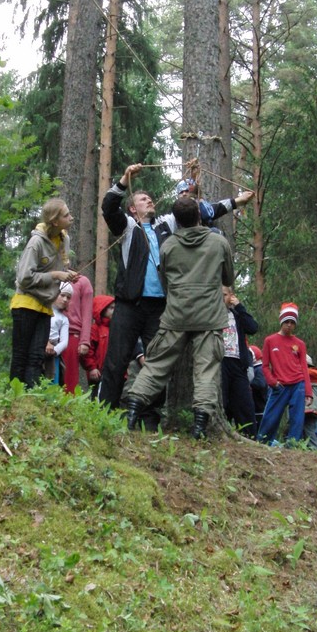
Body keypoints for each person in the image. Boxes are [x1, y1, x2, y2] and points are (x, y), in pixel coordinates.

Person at [98, 162, 253, 416]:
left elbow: (202, 210)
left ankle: (149, 418)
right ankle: (104, 414)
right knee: (116, 361)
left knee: (156, 362)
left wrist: (236, 202)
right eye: (143, 199)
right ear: (132, 208)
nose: (149, 201)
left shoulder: (167, 224)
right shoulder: (127, 227)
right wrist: (125, 178)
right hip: (129, 305)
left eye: (150, 198)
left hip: (160, 308)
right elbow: (108, 207)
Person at [124, 196, 235, 439]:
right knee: (206, 370)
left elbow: (165, 282)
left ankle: (132, 412)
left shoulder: (168, 246)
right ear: (199, 215)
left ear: (177, 220)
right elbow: (228, 278)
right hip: (209, 316)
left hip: (176, 315)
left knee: (156, 365)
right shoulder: (218, 242)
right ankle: (199, 427)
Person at [9, 198, 80, 388]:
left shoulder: (64, 240)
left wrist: (67, 274)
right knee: (21, 355)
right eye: (66, 215)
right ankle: (14, 396)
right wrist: (56, 275)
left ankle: (30, 398)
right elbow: (24, 277)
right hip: (25, 304)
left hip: (45, 307)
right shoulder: (36, 242)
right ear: (55, 221)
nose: (71, 217)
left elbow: (57, 269)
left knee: (36, 357)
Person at [256, 303, 312, 446]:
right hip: (279, 385)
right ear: (281, 321)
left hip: (298, 384)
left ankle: (293, 446)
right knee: (271, 416)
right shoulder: (270, 340)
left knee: (297, 418)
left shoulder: (299, 344)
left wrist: (308, 392)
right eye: (286, 321)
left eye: (292, 322)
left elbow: (304, 368)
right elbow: (265, 365)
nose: (289, 325)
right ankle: (262, 443)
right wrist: (272, 382)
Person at [221, 287, 259, 438]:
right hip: (220, 362)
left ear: (231, 296)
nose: (221, 298)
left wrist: (239, 306)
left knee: (244, 403)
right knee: (222, 400)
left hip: (238, 363)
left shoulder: (237, 315)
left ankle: (250, 436)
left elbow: (252, 328)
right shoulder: (211, 314)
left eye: (225, 295)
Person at [61, 274, 93, 393]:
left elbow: (87, 313)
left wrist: (84, 340)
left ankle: (68, 402)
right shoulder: (53, 276)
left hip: (71, 333)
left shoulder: (82, 281)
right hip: (50, 333)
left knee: (69, 376)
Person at [81, 295, 115, 392]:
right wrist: (92, 368)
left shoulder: (116, 328)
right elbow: (88, 351)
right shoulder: (94, 329)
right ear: (102, 309)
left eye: (115, 308)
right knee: (97, 396)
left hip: (113, 372)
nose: (114, 311)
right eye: (111, 308)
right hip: (98, 373)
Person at [44, 283, 72, 384]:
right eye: (62, 295)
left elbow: (64, 341)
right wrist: (45, 343)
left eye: (68, 297)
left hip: (53, 355)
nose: (65, 299)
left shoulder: (64, 319)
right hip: (38, 349)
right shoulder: (43, 311)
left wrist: (54, 351)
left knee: (52, 382)